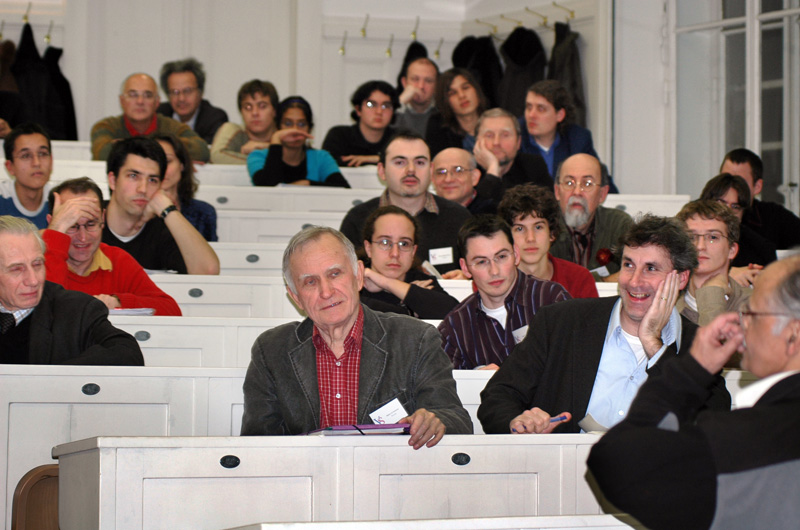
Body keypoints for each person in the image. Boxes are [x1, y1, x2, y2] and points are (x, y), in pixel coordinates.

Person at [587, 256, 800, 530]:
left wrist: (690, 371)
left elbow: (614, 462)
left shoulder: (742, 443)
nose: (743, 324)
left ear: (793, 334)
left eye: (753, 314)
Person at [477, 215, 731, 434]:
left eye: (651, 268)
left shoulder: (701, 346)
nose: (634, 281)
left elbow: (711, 424)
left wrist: (654, 345)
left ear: (681, 278)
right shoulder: (561, 322)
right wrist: (518, 421)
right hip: (561, 472)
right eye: (628, 265)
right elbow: (497, 396)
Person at [240, 226, 473, 448]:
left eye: (335, 274)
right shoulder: (271, 350)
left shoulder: (416, 339)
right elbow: (257, 443)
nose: (326, 292)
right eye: (310, 282)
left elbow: (458, 421)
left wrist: (436, 421)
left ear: (358, 275)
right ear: (296, 297)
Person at [0, 215, 144, 365]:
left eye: (37, 265)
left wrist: (54, 378)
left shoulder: (77, 310)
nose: (33, 280)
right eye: (16, 269)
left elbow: (127, 353)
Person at [438, 215, 570, 370]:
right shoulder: (455, 326)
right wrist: (477, 378)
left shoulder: (551, 299)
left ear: (516, 254)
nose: (494, 271)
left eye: (501, 257)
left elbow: (575, 364)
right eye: (481, 262)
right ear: (465, 267)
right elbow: (446, 387)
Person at [43, 177, 181, 316]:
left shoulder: (116, 259)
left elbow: (172, 311)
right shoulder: (34, 260)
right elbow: (43, 311)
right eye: (72, 226)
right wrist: (55, 232)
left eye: (91, 224)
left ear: (102, 218)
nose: (83, 237)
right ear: (52, 223)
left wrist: (119, 302)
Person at [340, 131, 472, 275]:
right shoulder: (358, 219)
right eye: (400, 162)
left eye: (420, 162)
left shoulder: (458, 217)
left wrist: (466, 277)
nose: (411, 170)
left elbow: (474, 269)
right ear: (382, 170)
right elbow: (347, 277)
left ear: (431, 170)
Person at [101, 137, 220, 275]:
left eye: (152, 180)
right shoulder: (89, 223)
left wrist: (168, 209)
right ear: (113, 180)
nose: (143, 188)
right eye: (133, 176)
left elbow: (208, 272)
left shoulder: (163, 229)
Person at [497, 183, 598, 298]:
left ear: (552, 233)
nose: (530, 238)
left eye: (538, 227)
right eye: (520, 229)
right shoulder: (493, 279)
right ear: (507, 237)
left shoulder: (579, 279)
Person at [359, 206, 458, 319]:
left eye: (404, 244)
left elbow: (454, 315)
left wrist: (386, 283)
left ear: (413, 251)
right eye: (385, 242)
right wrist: (411, 307)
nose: (395, 253)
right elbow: (360, 310)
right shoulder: (354, 283)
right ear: (368, 248)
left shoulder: (422, 281)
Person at [520, 80, 618, 192]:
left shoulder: (577, 140)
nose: (531, 115)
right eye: (528, 107)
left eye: (541, 109)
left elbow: (605, 187)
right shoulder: (516, 139)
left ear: (559, 115)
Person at [548, 153, 632, 281]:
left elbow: (634, 271)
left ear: (602, 194)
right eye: (569, 183)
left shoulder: (619, 225)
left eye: (587, 184)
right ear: (557, 191)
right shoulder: (543, 226)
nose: (576, 192)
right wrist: (605, 280)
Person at [91, 73, 210, 162]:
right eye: (133, 95)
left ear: (157, 102)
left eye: (148, 95)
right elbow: (102, 153)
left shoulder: (172, 127)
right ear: (122, 101)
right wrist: (169, 152)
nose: (140, 101)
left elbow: (202, 151)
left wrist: (125, 147)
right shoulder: (105, 126)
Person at [675, 200, 750, 326]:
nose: (700, 246)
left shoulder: (757, 305)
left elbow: (715, 344)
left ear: (732, 250)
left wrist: (712, 294)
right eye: (691, 237)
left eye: (713, 237)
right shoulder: (667, 305)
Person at [247, 96, 349, 188]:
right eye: (288, 123)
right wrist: (276, 139)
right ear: (278, 126)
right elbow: (267, 187)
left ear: (309, 128)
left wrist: (307, 184)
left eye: (301, 124)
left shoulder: (321, 158)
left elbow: (343, 189)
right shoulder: (257, 156)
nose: (294, 130)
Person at [699, 173, 777, 286]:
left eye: (735, 207)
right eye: (721, 203)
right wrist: (726, 276)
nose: (727, 211)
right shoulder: (688, 238)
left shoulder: (760, 248)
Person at [721, 148, 800, 250]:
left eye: (740, 182)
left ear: (757, 186)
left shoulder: (775, 217)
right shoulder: (702, 214)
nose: (730, 187)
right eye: (725, 179)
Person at [472, 108, 552, 208]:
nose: (496, 142)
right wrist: (492, 172)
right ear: (477, 141)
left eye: (505, 135)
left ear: (518, 142)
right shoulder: (468, 170)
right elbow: (477, 214)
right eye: (489, 135)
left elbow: (547, 209)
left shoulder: (533, 165)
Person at [154, 135, 217, 242]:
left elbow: (212, 255)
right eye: (155, 161)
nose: (162, 168)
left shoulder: (203, 212)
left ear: (182, 165)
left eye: (168, 161)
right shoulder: (135, 210)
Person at [322, 80, 398, 167]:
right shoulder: (339, 135)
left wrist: (374, 158)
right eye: (371, 104)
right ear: (358, 109)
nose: (379, 111)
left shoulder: (399, 138)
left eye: (386, 106)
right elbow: (326, 166)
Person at [157, 57, 228, 143]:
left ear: (200, 92)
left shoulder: (214, 118)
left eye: (187, 91)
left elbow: (205, 153)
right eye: (175, 92)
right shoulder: (158, 114)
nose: (181, 98)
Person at [210, 80, 279, 165]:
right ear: (241, 112)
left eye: (262, 106)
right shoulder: (234, 130)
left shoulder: (285, 135)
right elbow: (217, 156)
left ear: (274, 111)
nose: (255, 113)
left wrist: (266, 147)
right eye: (248, 107)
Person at [425, 68, 488, 158]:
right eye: (453, 93)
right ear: (445, 101)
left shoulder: (496, 120)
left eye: (465, 88)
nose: (462, 95)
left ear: (477, 90)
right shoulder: (438, 129)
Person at [1, 122, 52, 228]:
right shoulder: (2, 197)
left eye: (42, 154)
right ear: (10, 166)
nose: (37, 163)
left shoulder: (60, 200)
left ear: (51, 161)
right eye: (25, 156)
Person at [430, 148, 493, 214]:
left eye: (458, 170)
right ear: (433, 178)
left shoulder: (491, 213)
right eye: (441, 172)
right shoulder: (425, 214)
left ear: (474, 177)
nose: (448, 179)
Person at [395, 58, 438, 136]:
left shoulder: (444, 114)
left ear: (436, 85)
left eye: (428, 81)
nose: (421, 86)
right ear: (404, 83)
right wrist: (399, 103)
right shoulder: (393, 111)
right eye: (415, 79)